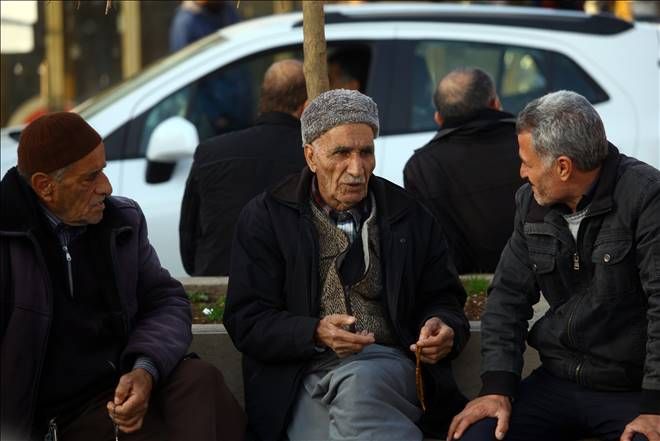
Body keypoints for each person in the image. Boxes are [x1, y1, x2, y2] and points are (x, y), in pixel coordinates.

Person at [223, 89, 470, 441]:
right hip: (300, 372)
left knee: (357, 386)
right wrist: (314, 332)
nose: (357, 168)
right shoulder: (267, 217)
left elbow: (444, 298)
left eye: (366, 152)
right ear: (311, 156)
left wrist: (442, 326)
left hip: (385, 363)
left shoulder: (408, 215)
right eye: (341, 152)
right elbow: (245, 319)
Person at [0, 112, 245, 441]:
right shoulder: (8, 238)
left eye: (103, 169)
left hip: (123, 382)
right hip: (55, 416)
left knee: (200, 381)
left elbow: (166, 301)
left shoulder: (121, 221)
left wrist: (145, 369)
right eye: (90, 178)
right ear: (45, 187)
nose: (106, 186)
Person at [447, 91, 660, 441]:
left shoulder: (647, 197)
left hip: (632, 389)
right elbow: (507, 297)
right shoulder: (530, 203)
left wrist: (655, 406)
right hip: (558, 380)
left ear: (562, 167)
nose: (521, 172)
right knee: (478, 435)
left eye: (527, 162)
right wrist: (496, 388)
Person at [179, 59, 307, 276]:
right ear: (306, 107)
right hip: (288, 299)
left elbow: (188, 241)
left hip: (218, 297)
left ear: (263, 100)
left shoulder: (210, 153)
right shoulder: (315, 159)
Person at [404, 67, 523, 274]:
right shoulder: (530, 144)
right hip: (543, 282)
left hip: (467, 290)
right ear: (495, 103)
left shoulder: (421, 168)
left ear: (438, 118)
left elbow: (434, 247)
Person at [169, 1, 250, 136]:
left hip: (238, 115)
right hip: (213, 122)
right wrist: (214, 115)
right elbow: (185, 77)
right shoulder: (187, 22)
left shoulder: (226, 11)